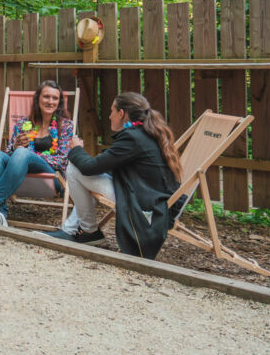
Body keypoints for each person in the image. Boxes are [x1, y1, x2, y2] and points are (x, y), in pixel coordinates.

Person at [45, 92, 182, 259]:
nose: (109, 116)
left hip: (142, 204)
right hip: (149, 196)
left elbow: (89, 167)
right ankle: (74, 229)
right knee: (88, 172)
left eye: (112, 111)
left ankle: (88, 231)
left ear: (121, 113)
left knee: (75, 168)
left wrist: (76, 148)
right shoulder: (146, 133)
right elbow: (104, 165)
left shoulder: (133, 138)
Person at [0, 80, 74, 227]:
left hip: (50, 176)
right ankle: (0, 213)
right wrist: (16, 147)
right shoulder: (23, 124)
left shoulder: (66, 125)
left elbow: (62, 160)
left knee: (23, 153)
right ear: (38, 99)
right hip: (19, 173)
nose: (50, 101)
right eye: (46, 97)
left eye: (55, 98)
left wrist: (29, 155)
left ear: (59, 102)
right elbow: (8, 155)